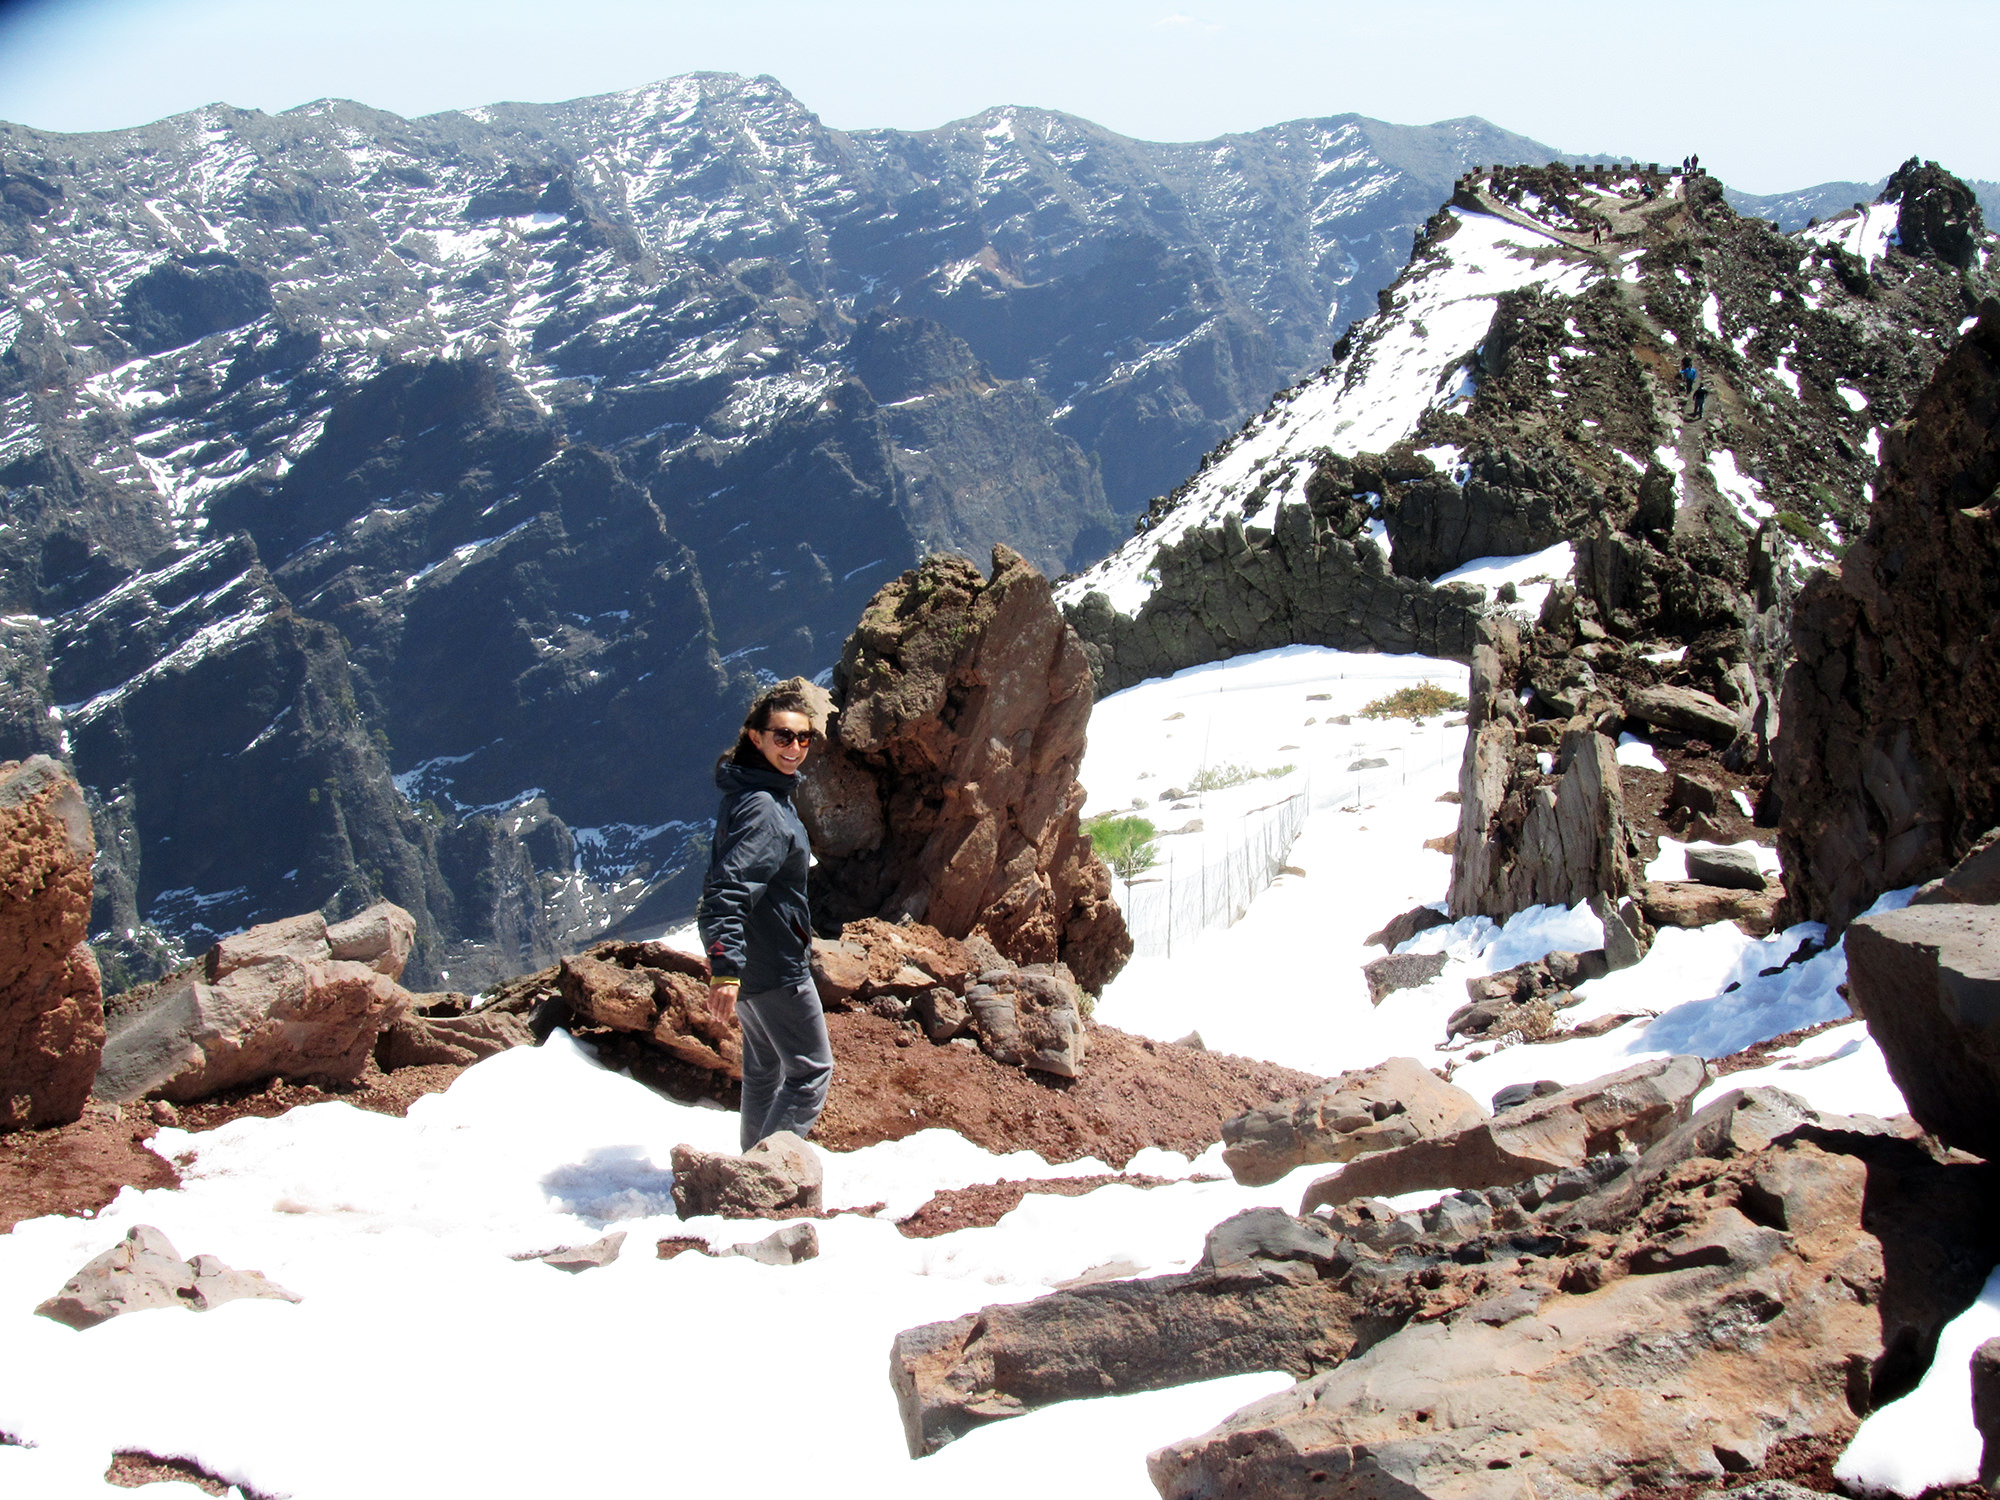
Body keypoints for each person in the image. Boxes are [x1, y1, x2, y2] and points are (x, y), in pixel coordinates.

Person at [698, 683, 832, 1152]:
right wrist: (725, 969)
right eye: (782, 737)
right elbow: (728, 889)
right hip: (774, 966)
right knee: (811, 1070)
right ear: (756, 737)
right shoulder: (764, 809)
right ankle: (763, 1178)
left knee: (763, 1069)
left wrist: (731, 968)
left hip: (751, 966)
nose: (795, 748)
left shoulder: (756, 791)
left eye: (803, 738)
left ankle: (746, 1170)